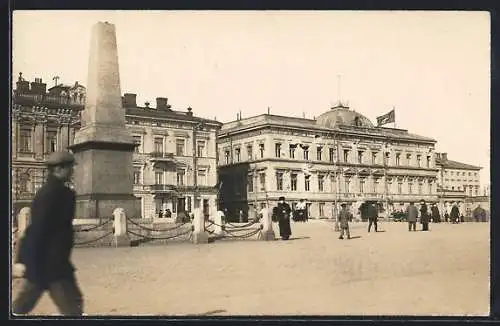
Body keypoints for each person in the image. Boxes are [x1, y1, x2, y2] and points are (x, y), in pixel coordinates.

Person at [13, 151, 84, 316]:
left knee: (22, 305)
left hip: (47, 263)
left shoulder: (48, 192)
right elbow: (39, 228)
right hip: (52, 264)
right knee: (72, 307)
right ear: (58, 169)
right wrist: (25, 260)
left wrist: (24, 259)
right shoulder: (57, 194)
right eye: (69, 167)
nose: (72, 171)